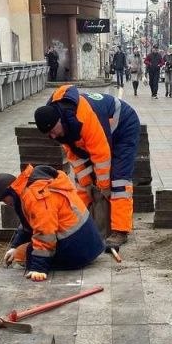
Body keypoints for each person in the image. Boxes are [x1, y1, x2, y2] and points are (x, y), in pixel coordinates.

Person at [33, 84, 141, 248]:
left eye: (54, 131)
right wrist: (87, 184)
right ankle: (79, 223)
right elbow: (76, 158)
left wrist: (104, 187)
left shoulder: (83, 117)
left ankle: (120, 230)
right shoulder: (60, 124)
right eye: (50, 135)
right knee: (82, 184)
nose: (54, 136)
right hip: (100, 133)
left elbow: (101, 156)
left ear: (59, 120)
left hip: (123, 126)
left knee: (119, 181)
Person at [0, 165, 105, 281]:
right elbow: (31, 223)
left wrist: (38, 268)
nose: (7, 204)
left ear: (10, 191)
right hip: (90, 243)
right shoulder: (34, 183)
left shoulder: (35, 196)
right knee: (20, 249)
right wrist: (15, 245)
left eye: (5, 200)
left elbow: (45, 233)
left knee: (20, 255)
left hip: (77, 250)